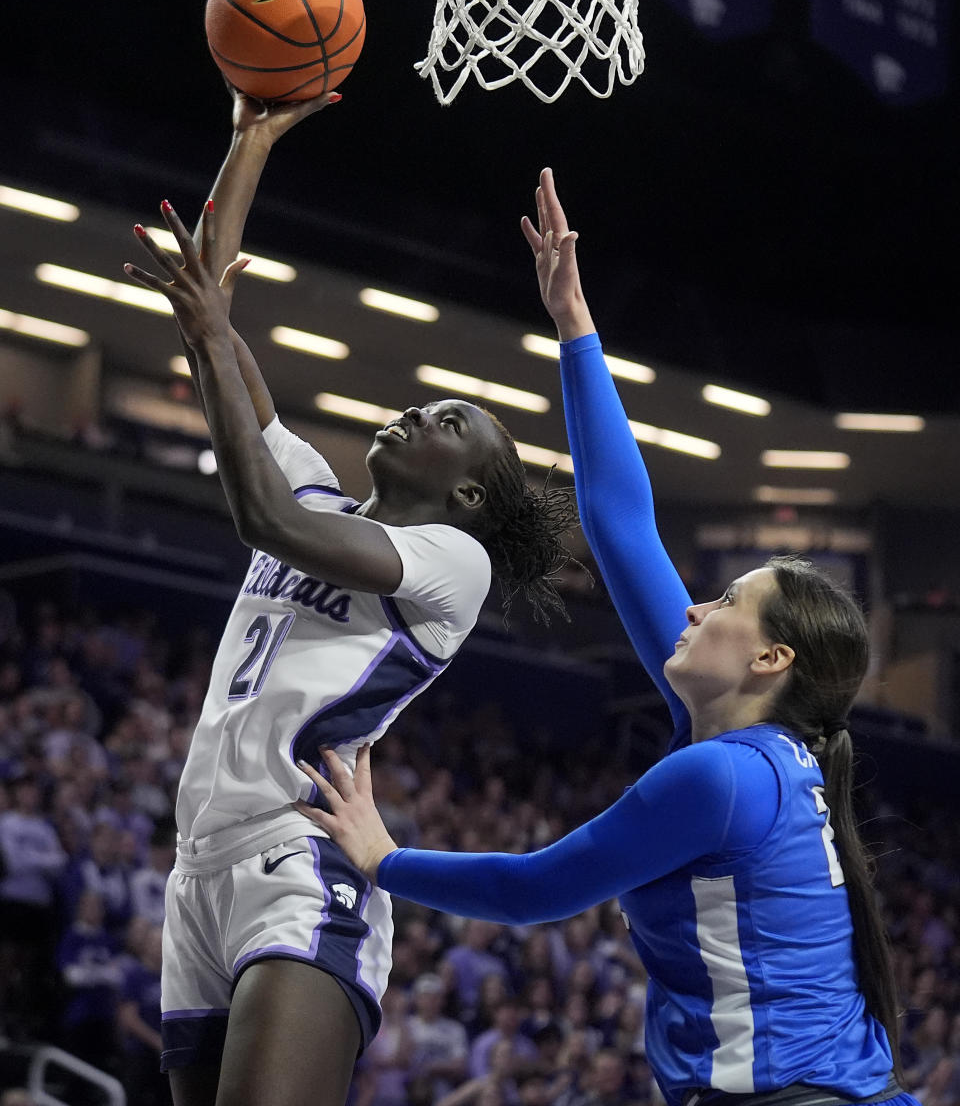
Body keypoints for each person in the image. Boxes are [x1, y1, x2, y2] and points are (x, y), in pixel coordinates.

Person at [293, 169, 919, 1106]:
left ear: (770, 659)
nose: (695, 609)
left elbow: (535, 890)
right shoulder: (756, 756)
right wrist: (575, 323)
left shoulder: (720, 776)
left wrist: (386, 860)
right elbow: (621, 523)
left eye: (723, 602)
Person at [122, 101, 576, 1106]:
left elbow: (268, 522)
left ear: (466, 492)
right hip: (197, 870)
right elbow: (214, 313)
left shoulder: (450, 563)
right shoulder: (315, 485)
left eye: (449, 420)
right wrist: (250, 140)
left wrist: (206, 328)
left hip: (301, 862)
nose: (418, 408)